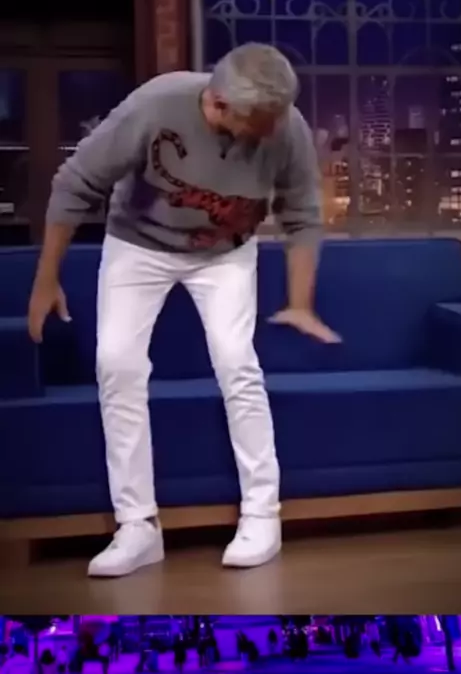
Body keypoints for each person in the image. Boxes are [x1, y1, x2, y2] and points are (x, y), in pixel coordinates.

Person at [28, 42, 340, 578]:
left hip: (225, 252)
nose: (273, 131)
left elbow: (302, 213)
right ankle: (137, 527)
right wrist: (45, 280)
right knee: (117, 365)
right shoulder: (156, 105)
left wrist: (300, 302)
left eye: (277, 119)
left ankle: (262, 515)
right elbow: (75, 183)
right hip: (138, 244)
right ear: (218, 104)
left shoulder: (284, 124)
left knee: (237, 363)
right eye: (259, 123)